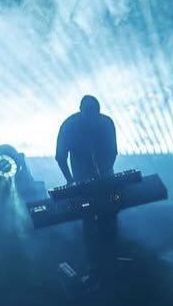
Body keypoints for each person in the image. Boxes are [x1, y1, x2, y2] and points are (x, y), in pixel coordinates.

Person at [55, 95, 119, 269]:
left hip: (104, 177)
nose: (92, 120)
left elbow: (113, 152)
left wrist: (106, 172)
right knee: (89, 216)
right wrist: (70, 180)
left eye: (94, 115)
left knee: (108, 214)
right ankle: (96, 261)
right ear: (81, 111)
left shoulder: (106, 123)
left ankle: (108, 258)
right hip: (83, 179)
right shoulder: (69, 126)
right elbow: (60, 157)